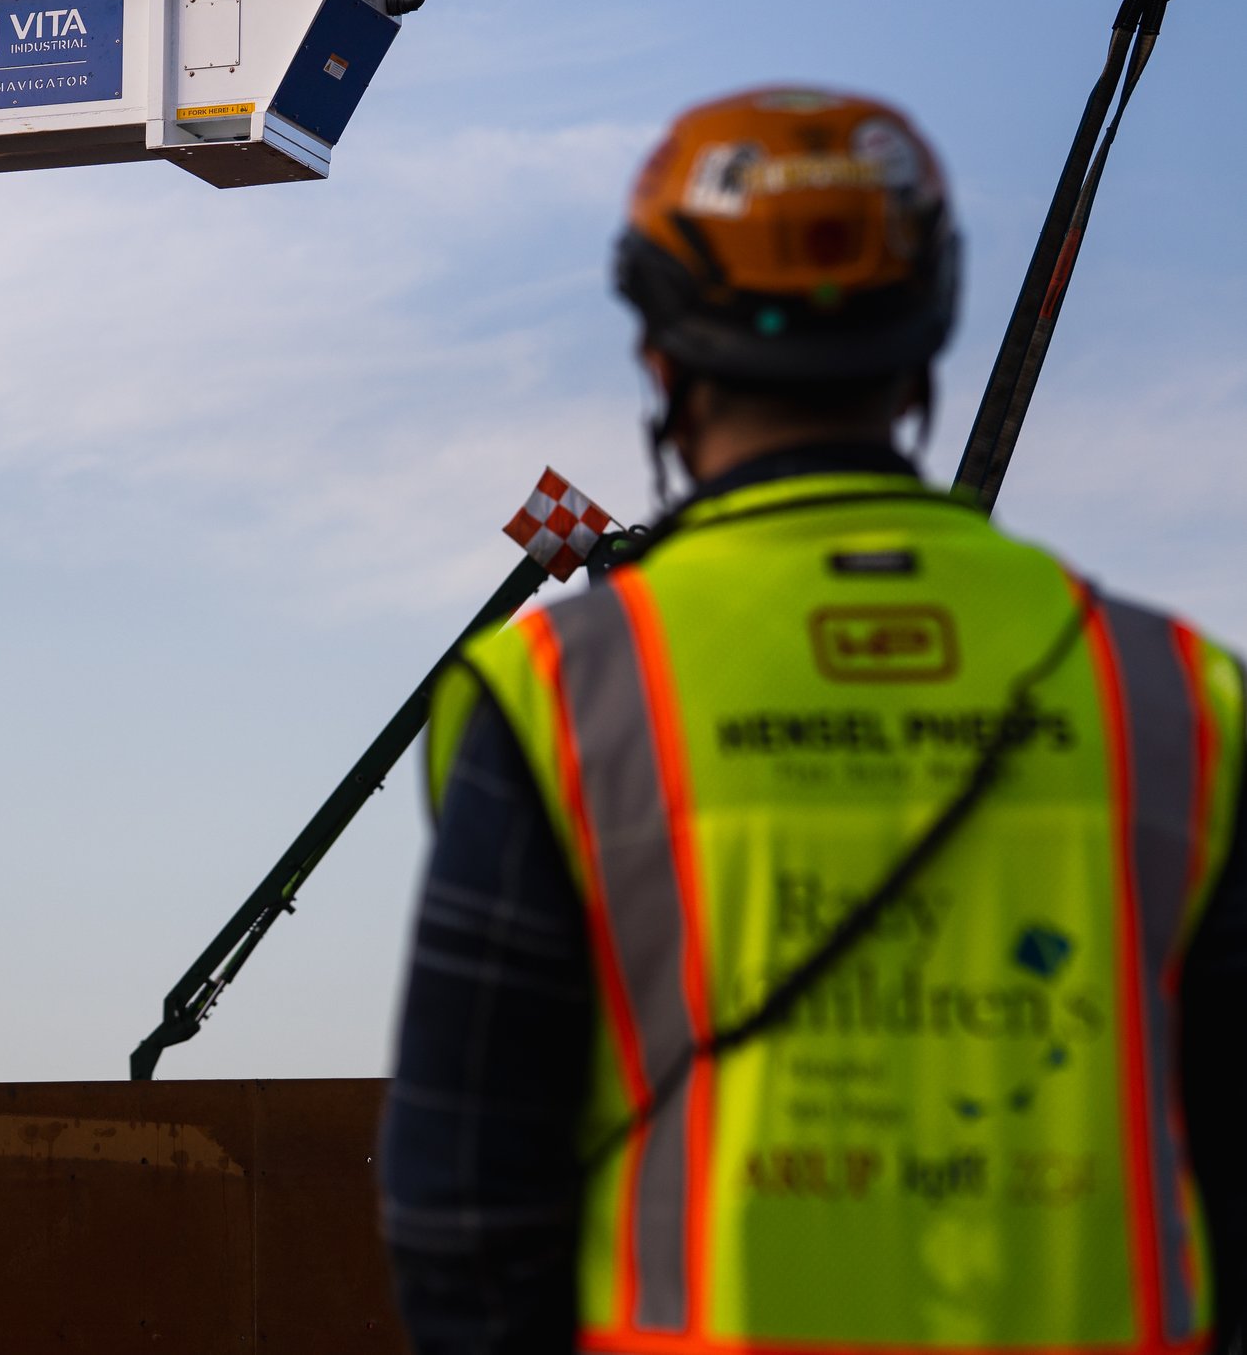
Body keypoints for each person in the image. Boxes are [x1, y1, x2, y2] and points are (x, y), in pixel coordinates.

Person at [382, 88, 1246, 1354]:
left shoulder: (563, 696)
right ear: (925, 335)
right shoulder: (1169, 694)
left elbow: (460, 1203)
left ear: (660, 355)